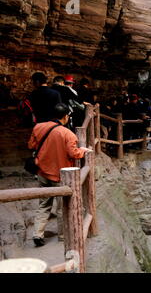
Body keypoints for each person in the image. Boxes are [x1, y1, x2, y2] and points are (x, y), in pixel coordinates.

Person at [28, 103, 91, 247]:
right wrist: (83, 151)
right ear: (66, 117)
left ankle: (37, 234)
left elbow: (31, 145)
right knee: (62, 207)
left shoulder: (38, 127)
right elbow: (73, 153)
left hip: (43, 172)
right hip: (60, 175)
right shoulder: (68, 134)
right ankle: (63, 235)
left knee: (44, 204)